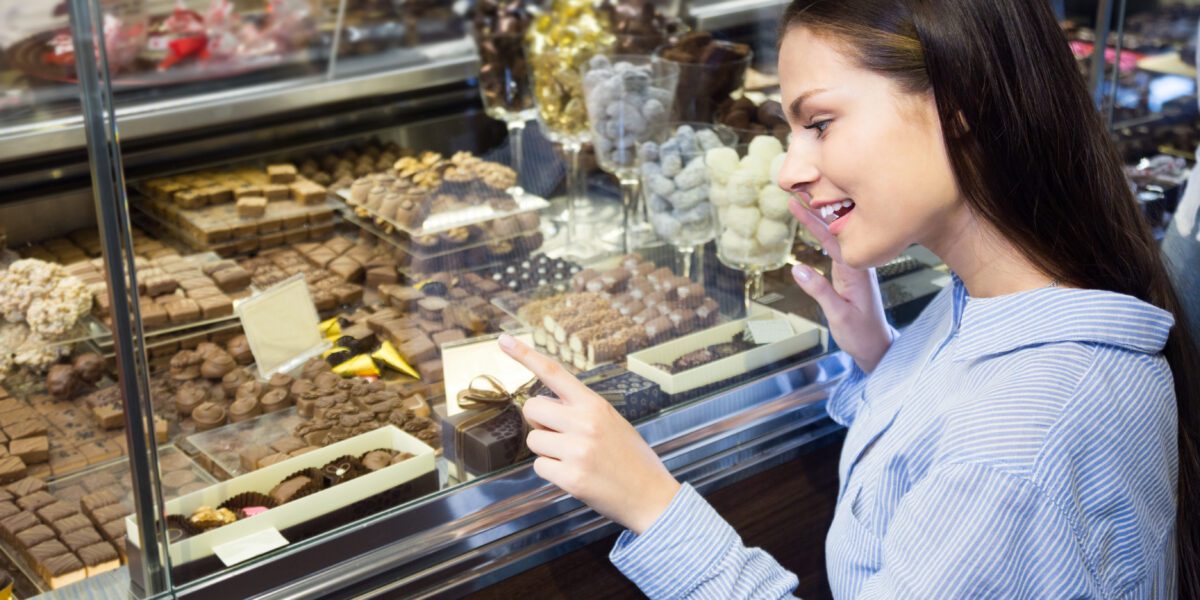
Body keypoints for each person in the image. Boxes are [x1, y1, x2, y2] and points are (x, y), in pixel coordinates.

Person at [497, 0, 1200, 597]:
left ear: (960, 104)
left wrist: (654, 505)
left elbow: (999, 463)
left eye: (821, 123)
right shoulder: (997, 303)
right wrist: (883, 357)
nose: (790, 171)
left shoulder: (1020, 445)